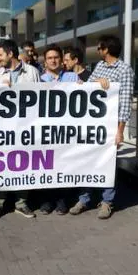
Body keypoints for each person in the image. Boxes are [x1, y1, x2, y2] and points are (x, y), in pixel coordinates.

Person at [69, 34, 134, 220]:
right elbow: (90, 86)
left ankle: (107, 202)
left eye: (99, 48)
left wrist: (120, 132)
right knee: (88, 161)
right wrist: (97, 82)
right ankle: (84, 198)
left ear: (106, 49)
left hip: (110, 127)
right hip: (93, 125)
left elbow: (125, 102)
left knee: (108, 164)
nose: (97, 51)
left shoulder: (124, 70)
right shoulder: (99, 66)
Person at [0, 40, 40, 221]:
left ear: (10, 54)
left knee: (23, 163)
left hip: (25, 128)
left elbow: (41, 98)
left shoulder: (32, 72)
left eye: (0, 54)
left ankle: (21, 202)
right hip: (2, 129)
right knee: (0, 164)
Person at [38, 45, 78, 215]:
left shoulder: (72, 76)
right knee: (46, 165)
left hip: (66, 130)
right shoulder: (39, 80)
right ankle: (47, 200)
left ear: (61, 59)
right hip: (46, 130)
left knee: (63, 165)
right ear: (45, 61)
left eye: (56, 57)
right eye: (49, 58)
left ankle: (62, 200)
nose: (53, 60)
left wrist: (100, 83)